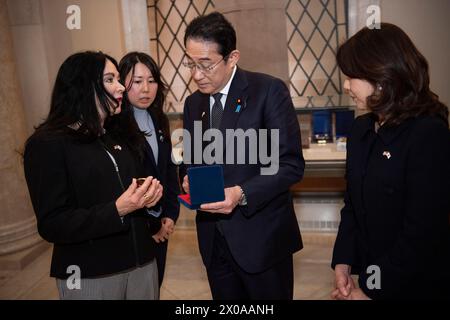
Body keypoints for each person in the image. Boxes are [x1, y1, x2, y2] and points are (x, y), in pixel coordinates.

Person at [180, 12, 305, 299]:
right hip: (214, 241)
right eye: (191, 64)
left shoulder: (268, 91)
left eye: (206, 64)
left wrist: (241, 193)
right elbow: (192, 161)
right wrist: (187, 179)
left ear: (232, 57)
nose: (196, 74)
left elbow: (290, 165)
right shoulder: (193, 104)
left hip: (261, 240)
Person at [23, 51, 164, 300]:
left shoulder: (121, 133)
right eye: (110, 80)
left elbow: (136, 192)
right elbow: (53, 223)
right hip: (91, 273)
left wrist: (149, 199)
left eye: (118, 79)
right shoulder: (47, 144)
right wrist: (117, 210)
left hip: (142, 264)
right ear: (83, 87)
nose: (121, 87)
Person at [331, 23, 450, 300]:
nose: (346, 86)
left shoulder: (428, 133)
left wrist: (371, 291)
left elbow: (422, 233)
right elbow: (352, 205)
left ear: (382, 78)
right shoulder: (361, 129)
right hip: (374, 272)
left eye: (352, 77)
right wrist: (344, 262)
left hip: (417, 283)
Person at [119, 51, 180, 287]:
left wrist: (170, 215)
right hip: (135, 228)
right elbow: (126, 182)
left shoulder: (158, 119)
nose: (146, 89)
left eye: (152, 80)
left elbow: (167, 170)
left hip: (162, 224)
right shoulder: (115, 126)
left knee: (154, 287)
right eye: (137, 81)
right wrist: (152, 226)